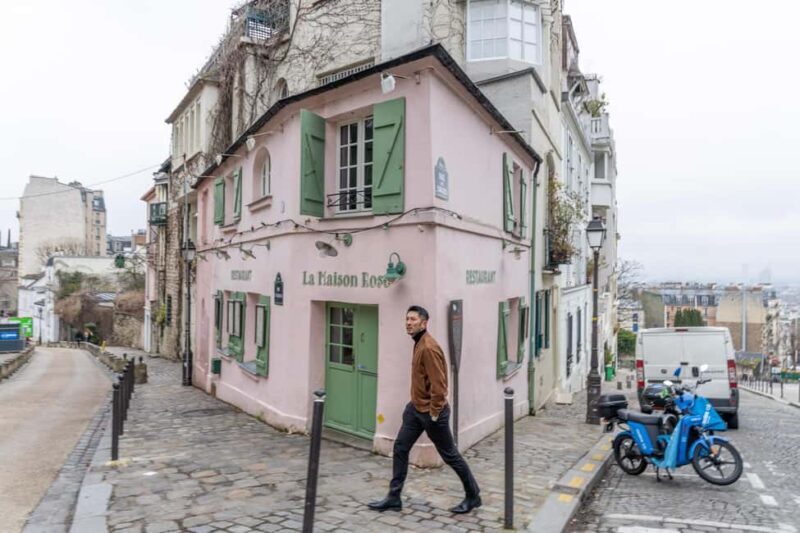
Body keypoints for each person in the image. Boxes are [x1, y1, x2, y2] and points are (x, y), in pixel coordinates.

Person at [368, 305, 481, 514]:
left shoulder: (428, 347)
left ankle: (473, 495)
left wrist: (434, 413)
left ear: (424, 323)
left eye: (413, 319)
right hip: (416, 409)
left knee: (450, 455)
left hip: (431, 412)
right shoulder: (419, 343)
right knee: (401, 448)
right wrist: (413, 405)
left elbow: (440, 387)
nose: (408, 323)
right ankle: (394, 497)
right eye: (407, 319)